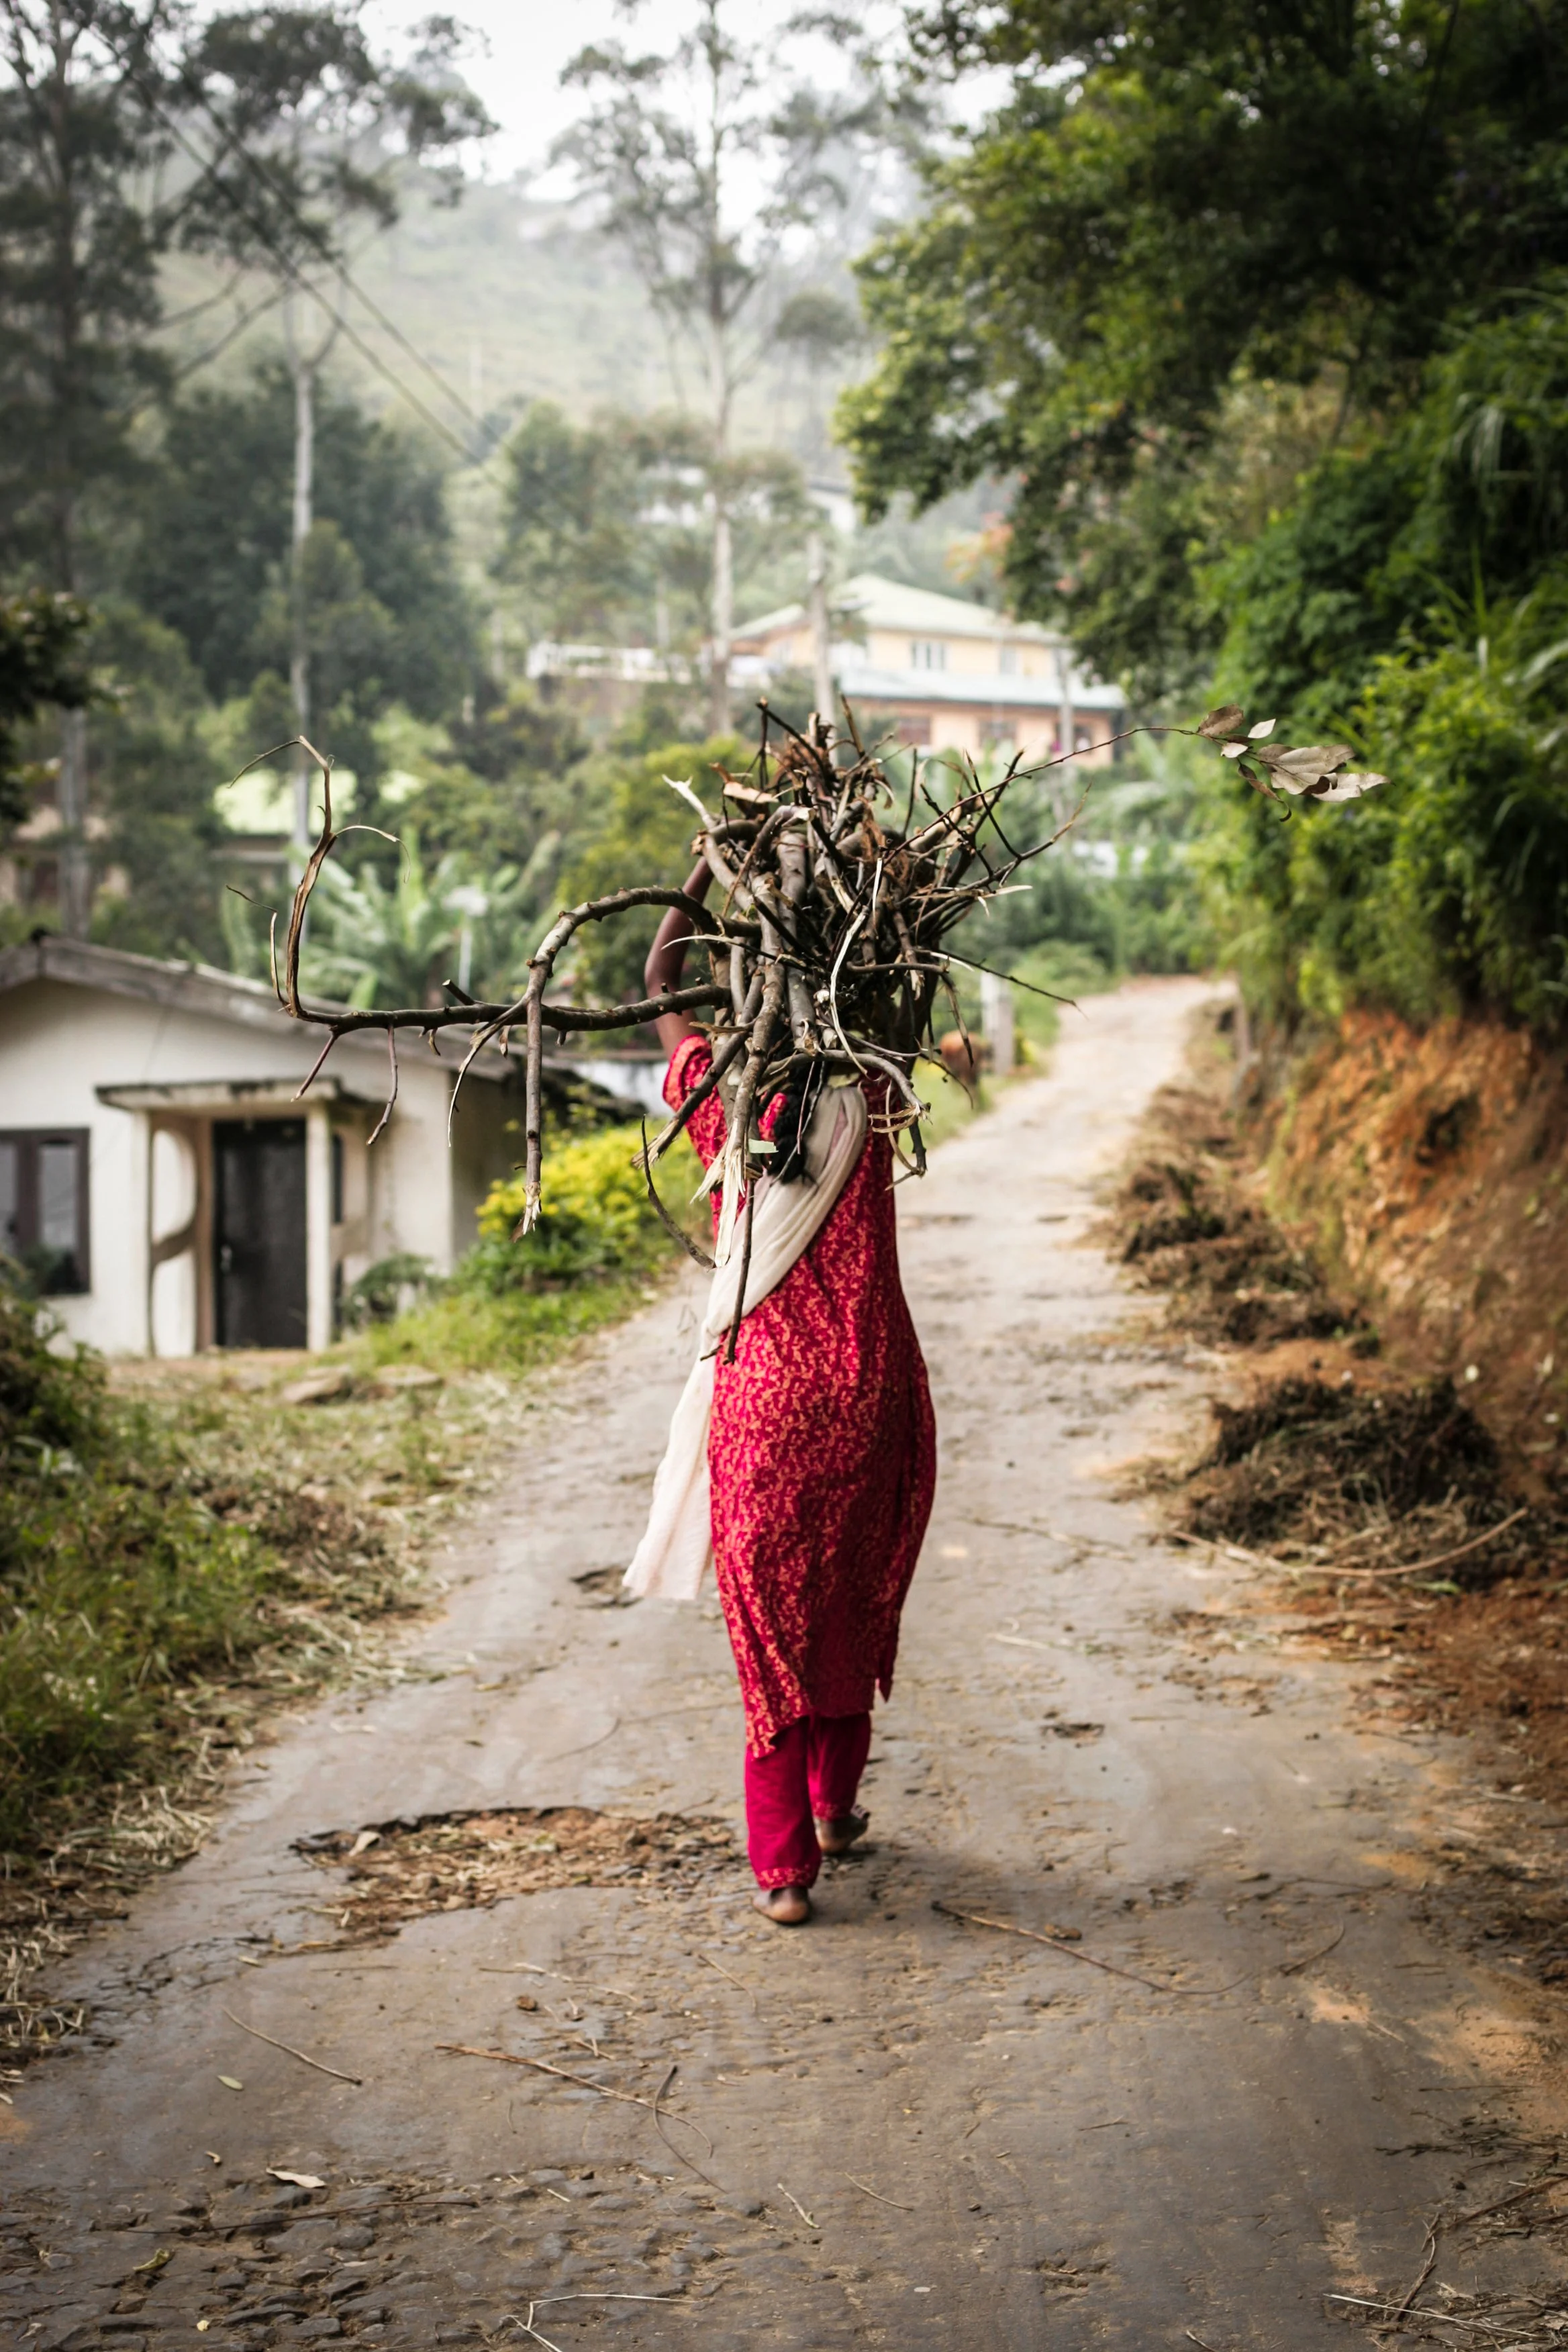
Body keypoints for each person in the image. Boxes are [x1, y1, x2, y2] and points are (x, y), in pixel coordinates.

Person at [636, 857, 936, 1926]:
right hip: (871, 1394)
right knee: (852, 1600)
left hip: (763, 1405)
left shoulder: (726, 1097)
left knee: (773, 1630)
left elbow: (659, 975)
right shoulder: (879, 1097)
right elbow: (908, 999)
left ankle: (784, 1874)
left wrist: (702, 874)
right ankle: (834, 1807)